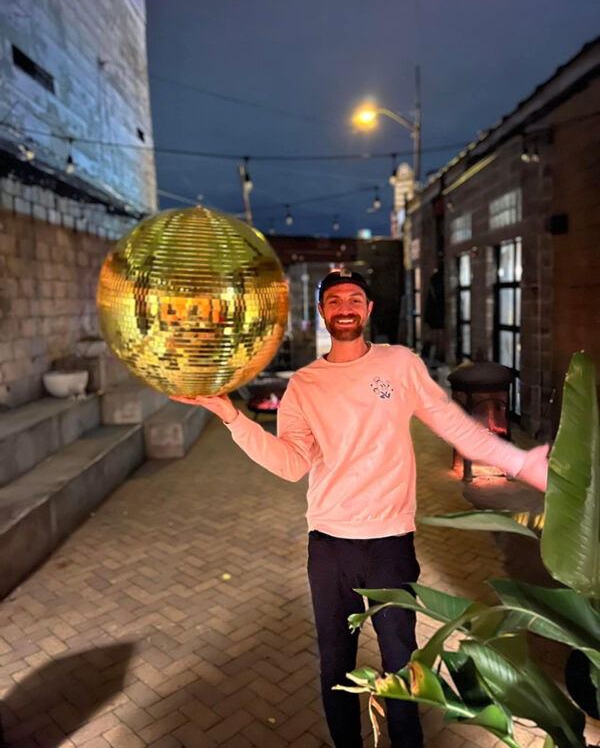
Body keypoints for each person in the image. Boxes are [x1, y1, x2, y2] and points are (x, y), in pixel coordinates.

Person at [172, 268, 548, 748]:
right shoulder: (304, 384)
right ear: (323, 313)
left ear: (368, 310)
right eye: (334, 301)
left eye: (354, 299)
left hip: (390, 543)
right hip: (329, 546)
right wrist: (231, 416)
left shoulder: (400, 365)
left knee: (403, 666)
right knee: (335, 666)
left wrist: (520, 462)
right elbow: (291, 464)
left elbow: (455, 426)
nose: (345, 307)